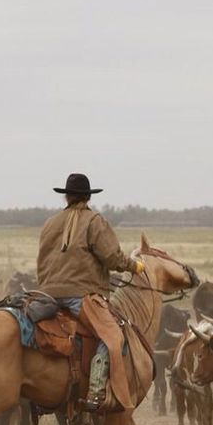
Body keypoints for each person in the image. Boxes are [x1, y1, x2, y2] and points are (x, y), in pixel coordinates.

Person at [37, 173, 145, 412]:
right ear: (87, 197)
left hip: (46, 295)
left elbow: (42, 260)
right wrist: (133, 265)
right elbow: (111, 257)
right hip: (81, 295)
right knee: (113, 334)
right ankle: (96, 390)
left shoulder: (49, 223)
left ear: (66, 197)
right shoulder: (94, 221)